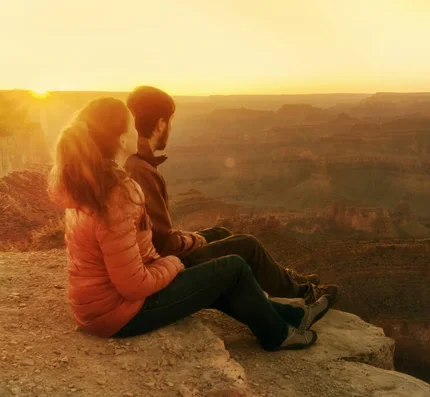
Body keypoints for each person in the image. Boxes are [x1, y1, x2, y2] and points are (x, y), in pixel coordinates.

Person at [48, 97, 333, 350]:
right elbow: (133, 286)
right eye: (132, 128)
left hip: (98, 307)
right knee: (231, 267)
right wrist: (174, 264)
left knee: (218, 275)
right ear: (122, 139)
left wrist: (170, 262)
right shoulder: (118, 193)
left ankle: (291, 317)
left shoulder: (84, 185)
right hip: (120, 314)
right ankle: (278, 335)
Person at [124, 86, 339, 304]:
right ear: (161, 124)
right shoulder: (141, 171)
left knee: (221, 232)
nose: (170, 128)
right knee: (247, 244)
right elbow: (163, 242)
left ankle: (285, 278)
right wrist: (194, 239)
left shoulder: (139, 163)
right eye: (169, 122)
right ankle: (303, 293)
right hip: (166, 265)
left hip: (158, 256)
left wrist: (192, 237)